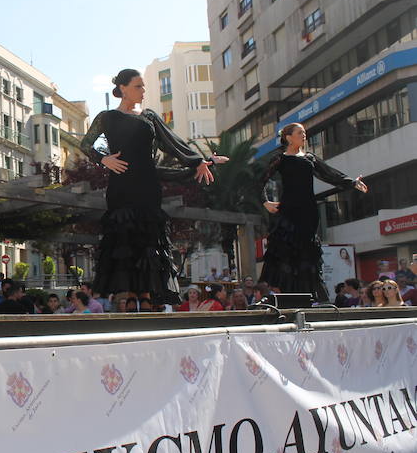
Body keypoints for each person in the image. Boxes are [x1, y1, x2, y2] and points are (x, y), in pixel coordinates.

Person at [80, 68, 224, 307]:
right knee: (125, 237)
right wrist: (103, 159)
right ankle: (128, 300)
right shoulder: (106, 117)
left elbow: (172, 143)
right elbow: (85, 144)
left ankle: (146, 299)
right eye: (138, 86)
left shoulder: (149, 117)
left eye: (144, 86)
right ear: (123, 88)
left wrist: (197, 160)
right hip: (121, 188)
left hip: (148, 188)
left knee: (148, 240)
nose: (143, 91)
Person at [259, 123, 368, 302]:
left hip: (308, 212)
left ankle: (313, 297)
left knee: (308, 253)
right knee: (287, 252)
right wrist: (265, 202)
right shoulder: (280, 159)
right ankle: (290, 296)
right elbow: (260, 181)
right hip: (288, 211)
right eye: (300, 133)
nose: (304, 136)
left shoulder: (310, 157)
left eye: (305, 133)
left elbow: (329, 174)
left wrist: (352, 182)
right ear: (288, 137)